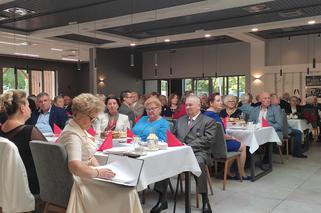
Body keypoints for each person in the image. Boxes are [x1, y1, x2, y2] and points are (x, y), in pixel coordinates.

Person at [58, 93, 142, 213]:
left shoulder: (78, 128)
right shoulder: (72, 135)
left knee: (126, 188)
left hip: (85, 175)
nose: (92, 122)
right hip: (80, 181)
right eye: (91, 118)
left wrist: (101, 170)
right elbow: (75, 166)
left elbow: (88, 155)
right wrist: (98, 172)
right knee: (127, 191)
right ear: (80, 114)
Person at [151, 95, 215, 213]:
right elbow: (173, 136)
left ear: (199, 106)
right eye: (186, 105)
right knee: (163, 161)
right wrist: (176, 143)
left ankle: (205, 200)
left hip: (198, 152)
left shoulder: (208, 121)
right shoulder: (180, 120)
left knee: (199, 163)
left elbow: (208, 140)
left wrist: (188, 146)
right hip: (179, 152)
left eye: (191, 105)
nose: (188, 107)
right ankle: (162, 200)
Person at [0, 90, 47, 195]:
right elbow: (50, 157)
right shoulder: (29, 131)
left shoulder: (1, 130)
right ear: (22, 108)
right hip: (27, 185)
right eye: (29, 106)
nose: (30, 109)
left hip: (6, 184)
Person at [204, 93, 248, 179]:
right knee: (243, 146)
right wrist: (232, 138)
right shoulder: (215, 117)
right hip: (219, 146)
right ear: (211, 103)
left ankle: (226, 171)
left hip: (210, 146)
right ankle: (241, 173)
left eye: (221, 100)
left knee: (235, 144)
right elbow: (221, 135)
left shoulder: (205, 114)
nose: (221, 102)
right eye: (218, 100)